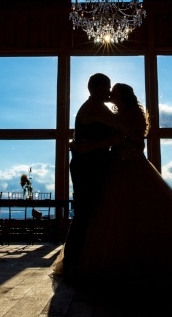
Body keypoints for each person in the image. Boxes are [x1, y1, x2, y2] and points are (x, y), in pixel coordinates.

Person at [54, 82, 172, 282]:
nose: (109, 95)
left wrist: (92, 145)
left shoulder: (132, 114)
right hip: (115, 167)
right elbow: (106, 131)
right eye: (108, 90)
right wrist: (80, 141)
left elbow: (121, 137)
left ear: (122, 96)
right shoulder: (112, 114)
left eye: (113, 92)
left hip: (133, 166)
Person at [53, 73, 119, 279]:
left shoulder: (94, 107)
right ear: (97, 88)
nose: (109, 91)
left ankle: (81, 260)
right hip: (88, 166)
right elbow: (120, 130)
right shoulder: (95, 108)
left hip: (89, 164)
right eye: (107, 87)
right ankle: (73, 262)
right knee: (84, 212)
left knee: (87, 211)